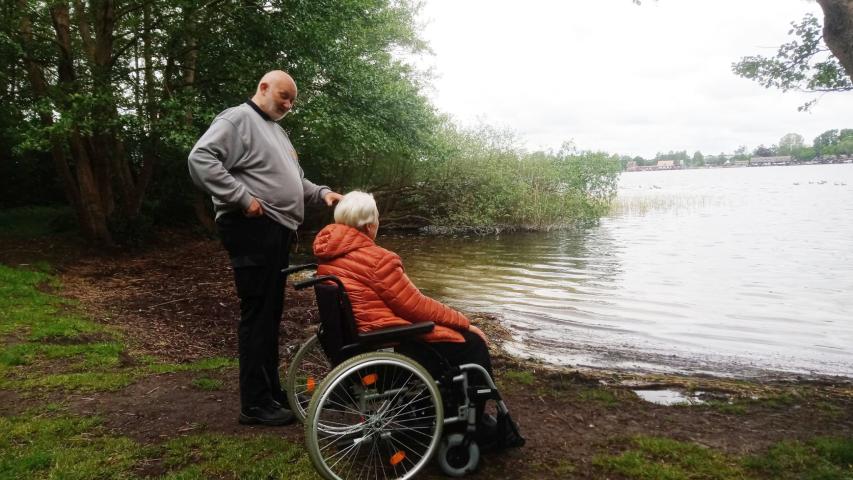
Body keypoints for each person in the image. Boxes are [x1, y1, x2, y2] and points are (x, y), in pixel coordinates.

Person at [188, 70, 342, 426]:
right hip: (253, 228)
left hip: (276, 231)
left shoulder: (277, 131)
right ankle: (255, 404)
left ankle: (271, 392)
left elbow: (295, 180)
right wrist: (243, 198)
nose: (288, 105)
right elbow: (201, 159)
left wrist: (322, 193)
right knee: (258, 313)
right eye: (283, 96)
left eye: (292, 100)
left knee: (270, 315)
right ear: (263, 87)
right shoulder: (238, 119)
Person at [312, 191, 493, 397]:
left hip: (353, 343)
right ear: (370, 226)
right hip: (386, 344)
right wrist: (463, 323)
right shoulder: (378, 260)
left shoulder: (327, 255)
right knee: (472, 343)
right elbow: (417, 307)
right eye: (377, 218)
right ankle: (471, 412)